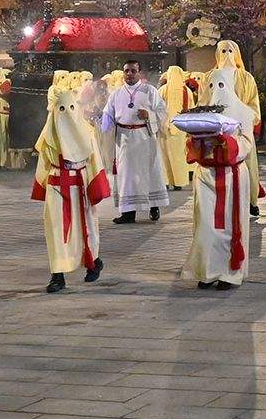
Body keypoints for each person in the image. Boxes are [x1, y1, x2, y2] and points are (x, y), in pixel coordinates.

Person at [30, 86, 109, 293]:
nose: (67, 113)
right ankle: (58, 275)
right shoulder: (48, 137)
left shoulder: (87, 133)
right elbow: (43, 165)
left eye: (71, 107)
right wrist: (41, 186)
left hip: (81, 187)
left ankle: (94, 261)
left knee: (87, 229)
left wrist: (96, 188)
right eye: (62, 109)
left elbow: (95, 162)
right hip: (56, 188)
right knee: (57, 231)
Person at [184, 67, 255, 289]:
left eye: (221, 85)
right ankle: (207, 271)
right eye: (212, 85)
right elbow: (191, 142)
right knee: (205, 225)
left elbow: (247, 143)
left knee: (230, 226)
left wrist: (226, 143)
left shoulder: (243, 112)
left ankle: (229, 273)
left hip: (232, 175)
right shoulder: (200, 112)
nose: (216, 90)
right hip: (206, 175)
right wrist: (196, 141)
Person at [100, 59, 169, 223]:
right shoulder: (116, 93)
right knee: (127, 176)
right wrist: (103, 123)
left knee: (149, 172)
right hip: (124, 139)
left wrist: (149, 115)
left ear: (139, 72)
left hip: (144, 137)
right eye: (126, 71)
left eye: (133, 71)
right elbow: (108, 113)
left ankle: (154, 207)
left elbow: (162, 111)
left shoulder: (149, 91)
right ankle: (128, 213)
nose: (129, 74)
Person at [213, 40, 263, 215]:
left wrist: (247, 117)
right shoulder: (211, 76)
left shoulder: (246, 78)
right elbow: (205, 101)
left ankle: (251, 201)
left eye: (230, 51)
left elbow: (253, 102)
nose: (227, 55)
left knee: (247, 164)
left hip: (242, 129)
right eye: (223, 51)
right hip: (219, 130)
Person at [160, 64, 195, 190]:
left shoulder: (163, 89)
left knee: (164, 156)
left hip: (165, 128)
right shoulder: (187, 91)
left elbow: (157, 108)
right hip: (180, 128)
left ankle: (165, 181)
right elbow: (191, 110)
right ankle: (178, 182)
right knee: (179, 156)